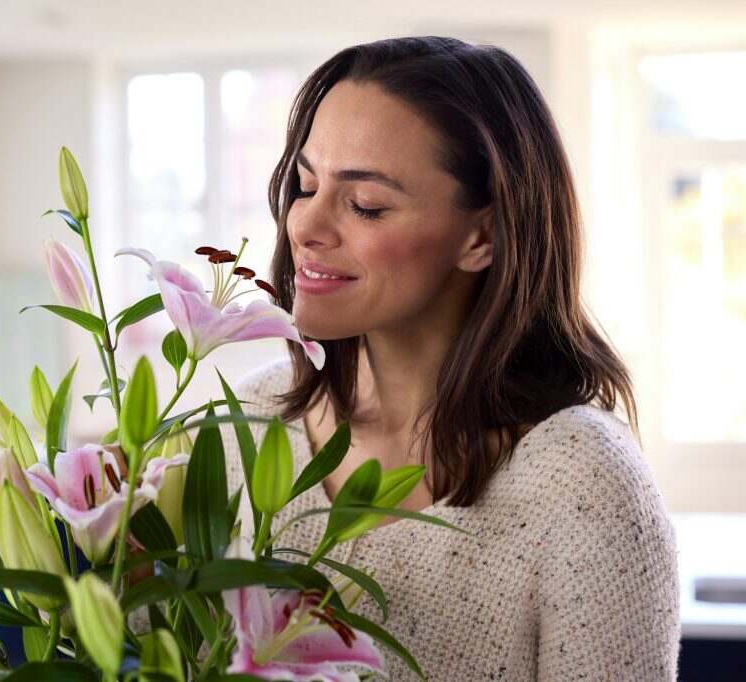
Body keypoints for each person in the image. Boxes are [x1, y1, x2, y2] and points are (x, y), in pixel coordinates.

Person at [221, 36, 680, 681]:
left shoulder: (584, 487)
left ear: (482, 236)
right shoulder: (246, 421)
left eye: (366, 205)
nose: (304, 225)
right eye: (305, 184)